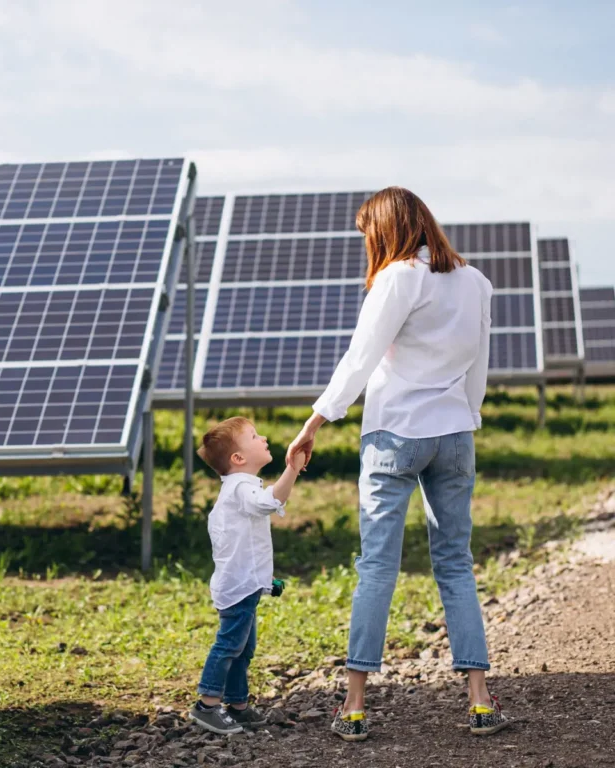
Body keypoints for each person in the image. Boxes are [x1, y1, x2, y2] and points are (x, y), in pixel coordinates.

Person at [286, 187, 510, 741]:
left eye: (369, 233)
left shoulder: (398, 277)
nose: (367, 243)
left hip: (394, 435)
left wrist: (316, 421)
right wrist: (469, 413)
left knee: (378, 567)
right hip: (455, 434)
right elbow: (479, 362)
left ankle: (355, 706)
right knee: (456, 563)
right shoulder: (476, 282)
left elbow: (361, 355)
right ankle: (481, 700)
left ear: (386, 230)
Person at [189, 416, 306, 735]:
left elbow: (247, 545)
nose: (264, 438)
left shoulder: (240, 488)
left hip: (246, 586)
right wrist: (292, 470)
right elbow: (270, 503)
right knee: (229, 646)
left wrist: (266, 583)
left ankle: (237, 704)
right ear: (238, 458)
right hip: (238, 589)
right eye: (255, 436)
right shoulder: (240, 488)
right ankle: (207, 705)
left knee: (243, 648)